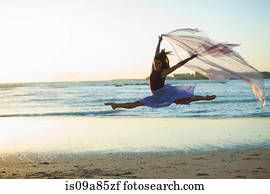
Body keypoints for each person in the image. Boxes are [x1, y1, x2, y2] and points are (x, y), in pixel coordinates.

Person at [105, 35, 216, 110]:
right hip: (157, 94)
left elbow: (178, 65)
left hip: (163, 93)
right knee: (138, 103)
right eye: (156, 63)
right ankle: (115, 105)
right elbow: (156, 54)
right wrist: (159, 42)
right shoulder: (153, 68)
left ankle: (206, 98)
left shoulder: (164, 72)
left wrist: (190, 58)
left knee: (185, 98)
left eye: (158, 63)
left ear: (162, 64)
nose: (157, 65)